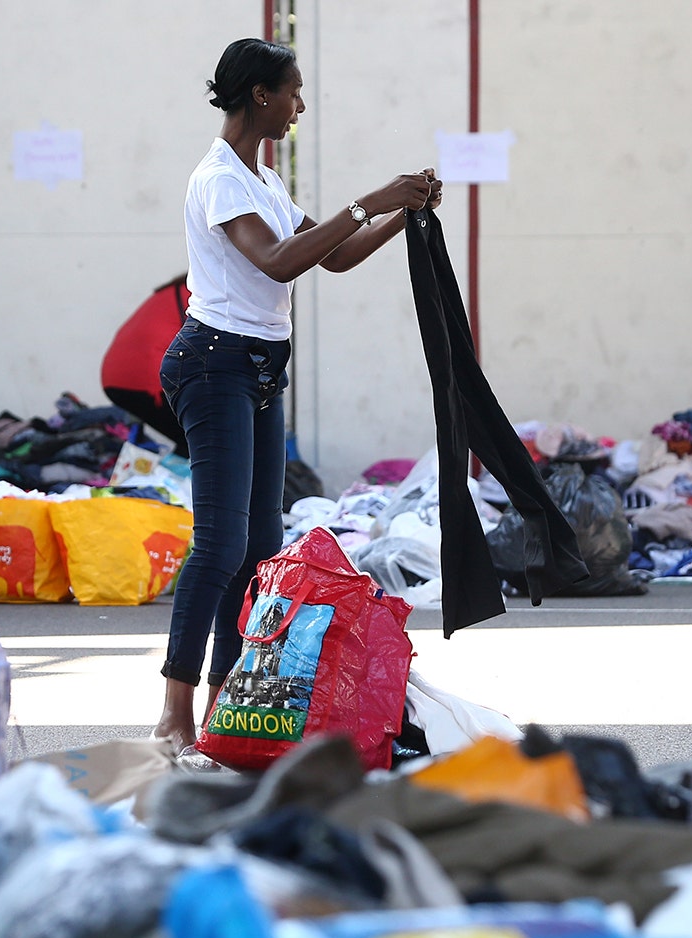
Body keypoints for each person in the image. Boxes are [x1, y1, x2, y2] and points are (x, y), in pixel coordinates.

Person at [153, 38, 441, 749]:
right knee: (219, 545)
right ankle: (173, 714)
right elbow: (278, 259)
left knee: (259, 547)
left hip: (256, 368)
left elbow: (334, 256)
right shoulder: (219, 177)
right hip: (213, 362)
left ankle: (226, 703)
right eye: (293, 92)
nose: (299, 106)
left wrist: (403, 212)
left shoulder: (265, 182)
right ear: (260, 95)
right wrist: (369, 199)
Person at [100, 273, 191, 453]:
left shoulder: (175, 290)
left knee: (194, 439)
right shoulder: (203, 293)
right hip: (149, 381)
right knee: (208, 438)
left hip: (114, 376)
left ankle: (171, 477)